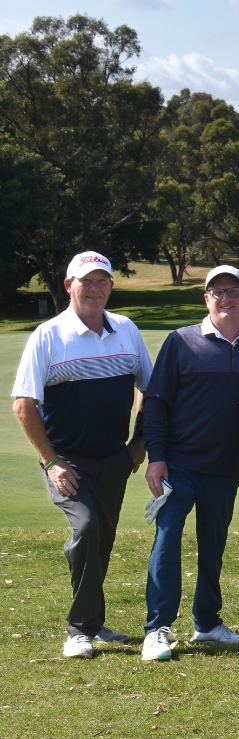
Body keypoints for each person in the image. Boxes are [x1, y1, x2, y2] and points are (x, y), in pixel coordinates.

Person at [11, 251, 154, 659]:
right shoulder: (49, 335)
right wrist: (51, 461)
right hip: (68, 462)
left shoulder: (126, 329)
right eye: (85, 281)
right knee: (87, 529)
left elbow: (150, 389)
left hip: (115, 459)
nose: (94, 288)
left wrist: (139, 444)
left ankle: (94, 621)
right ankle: (79, 630)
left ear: (111, 285)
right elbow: (24, 404)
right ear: (68, 286)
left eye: (101, 280)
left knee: (101, 541)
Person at [141, 266, 239, 660]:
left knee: (213, 547)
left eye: (233, 291)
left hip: (224, 468)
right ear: (206, 299)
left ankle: (207, 623)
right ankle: (157, 628)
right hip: (177, 465)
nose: (225, 298)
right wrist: (156, 457)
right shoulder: (181, 341)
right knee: (167, 541)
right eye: (217, 292)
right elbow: (156, 402)